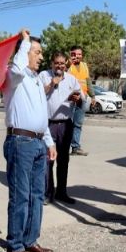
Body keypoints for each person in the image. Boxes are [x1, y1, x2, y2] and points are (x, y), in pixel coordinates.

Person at [2, 29, 57, 252]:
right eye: (37, 52)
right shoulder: (15, 77)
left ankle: (30, 240)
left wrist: (49, 141)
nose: (41, 57)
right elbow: (16, 69)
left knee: (37, 195)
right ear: (24, 54)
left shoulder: (36, 80)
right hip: (20, 142)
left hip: (37, 143)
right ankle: (14, 245)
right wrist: (24, 43)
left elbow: (41, 114)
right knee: (21, 195)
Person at [39, 52, 84, 205]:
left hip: (66, 124)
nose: (60, 66)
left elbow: (82, 99)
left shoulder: (72, 79)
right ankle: (47, 193)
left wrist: (77, 98)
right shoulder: (44, 75)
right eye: (57, 63)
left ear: (66, 65)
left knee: (63, 160)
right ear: (52, 64)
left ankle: (62, 192)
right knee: (48, 160)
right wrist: (53, 83)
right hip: (48, 125)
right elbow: (38, 94)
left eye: (62, 64)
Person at [67, 45, 94, 156]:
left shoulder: (84, 66)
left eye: (79, 54)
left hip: (82, 99)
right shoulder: (68, 65)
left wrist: (93, 96)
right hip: (70, 99)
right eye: (74, 54)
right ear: (70, 55)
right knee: (67, 124)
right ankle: (62, 147)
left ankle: (75, 147)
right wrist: (69, 64)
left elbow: (88, 82)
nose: (77, 56)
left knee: (78, 124)